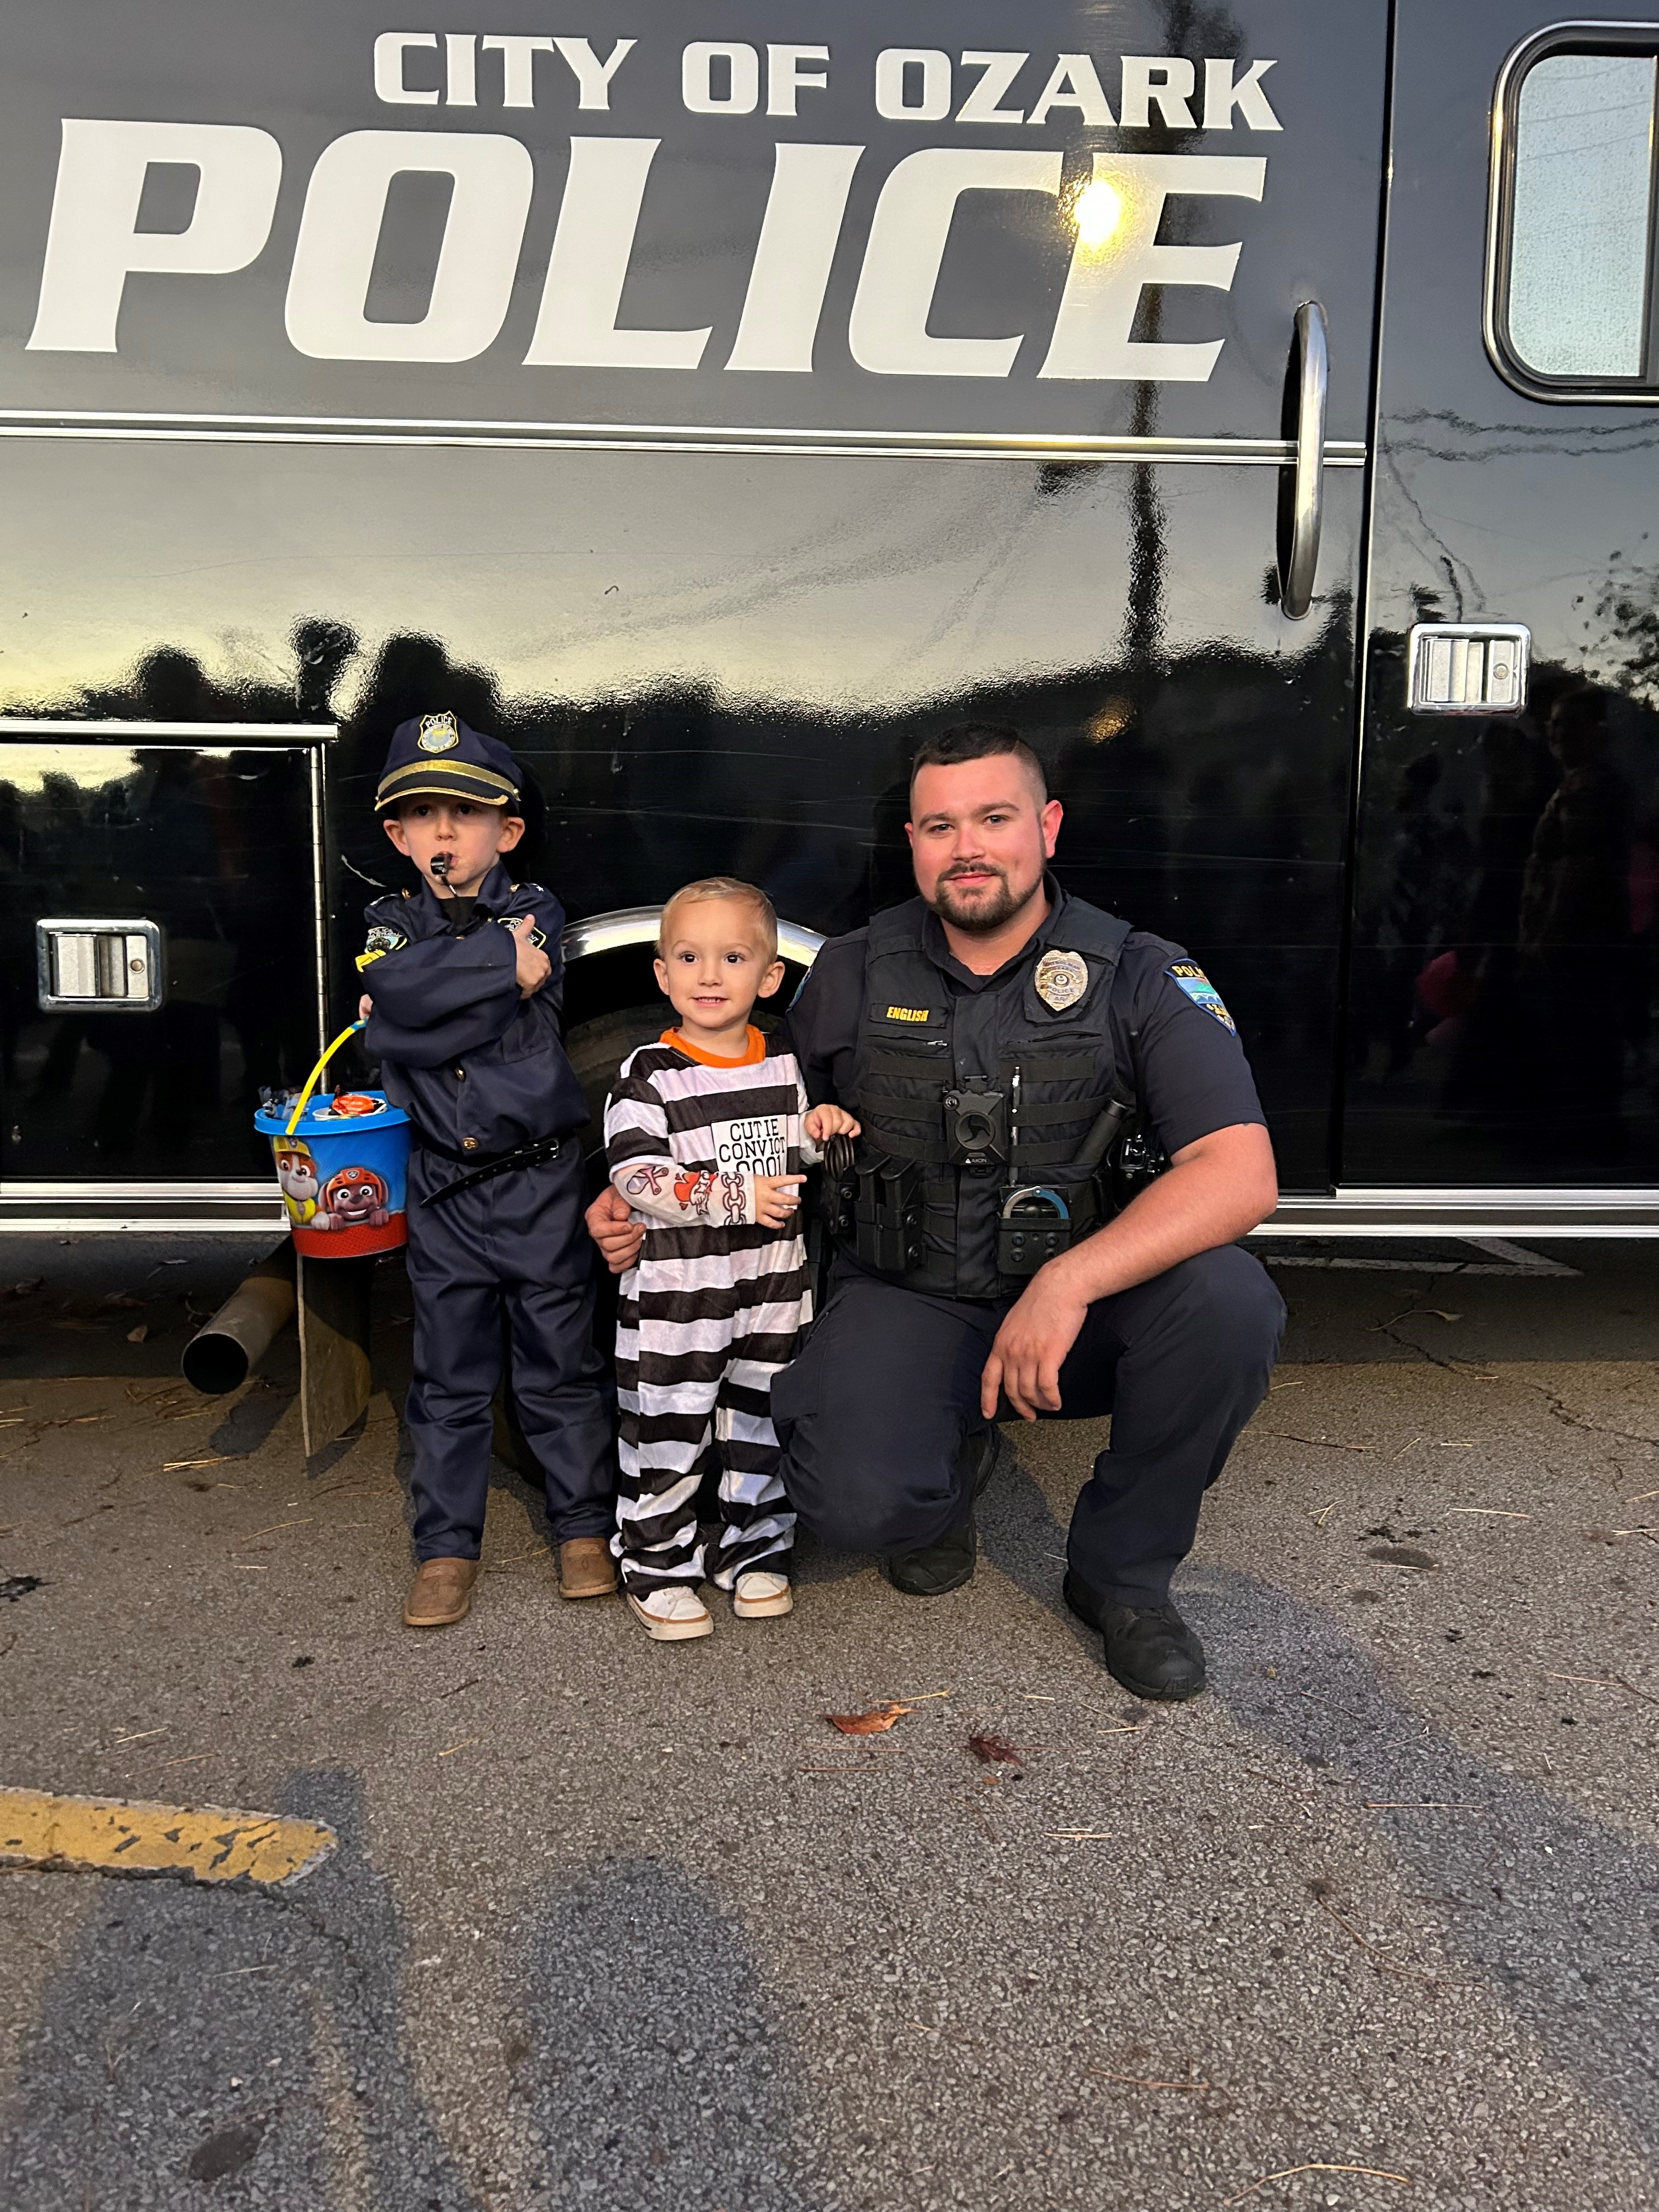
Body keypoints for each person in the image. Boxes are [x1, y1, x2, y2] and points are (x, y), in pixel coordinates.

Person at [586, 724, 1284, 1700]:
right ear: (911, 841)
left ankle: (1122, 1576)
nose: (967, 846)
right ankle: (943, 1481)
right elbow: (746, 1102)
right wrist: (631, 1197)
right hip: (911, 1293)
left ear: (1045, 827)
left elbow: (1241, 1173)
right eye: (939, 824)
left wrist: (1069, 1280)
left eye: (994, 818)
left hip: (1079, 1310)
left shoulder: (1137, 972)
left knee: (1230, 1304)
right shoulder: (856, 970)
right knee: (859, 1506)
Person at [359, 712, 616, 1629]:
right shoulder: (387, 923)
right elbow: (398, 995)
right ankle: (445, 1548)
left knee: (558, 1366)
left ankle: (583, 1528)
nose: (442, 833)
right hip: (441, 1191)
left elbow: (404, 1010)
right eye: (420, 816)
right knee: (448, 1378)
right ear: (396, 836)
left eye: (463, 814)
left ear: (505, 831)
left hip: (538, 1184)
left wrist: (403, 1018)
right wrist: (479, 981)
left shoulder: (532, 911)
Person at [602, 877, 859, 1640]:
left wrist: (825, 1126)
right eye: (689, 957)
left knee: (760, 1424)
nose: (710, 976)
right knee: (668, 1429)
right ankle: (656, 1564)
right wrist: (736, 1198)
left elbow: (800, 1152)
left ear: (769, 977)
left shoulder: (784, 1063)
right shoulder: (648, 1074)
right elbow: (637, 1176)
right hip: (678, 1297)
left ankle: (754, 1551)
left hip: (773, 1287)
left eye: (734, 957)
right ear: (662, 973)